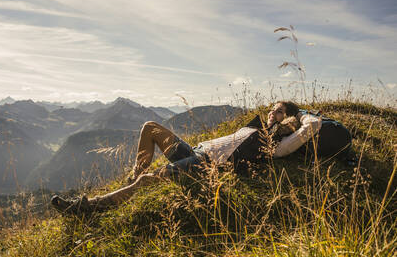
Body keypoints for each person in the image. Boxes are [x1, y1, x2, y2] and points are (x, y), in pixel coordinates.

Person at [51, 101, 322, 215]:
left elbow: (310, 127)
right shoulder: (254, 126)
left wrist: (295, 117)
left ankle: (88, 208)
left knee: (149, 180)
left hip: (207, 165)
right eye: (271, 109)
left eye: (277, 111)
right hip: (196, 150)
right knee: (149, 127)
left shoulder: (274, 140)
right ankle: (133, 182)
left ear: (286, 117)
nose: (271, 112)